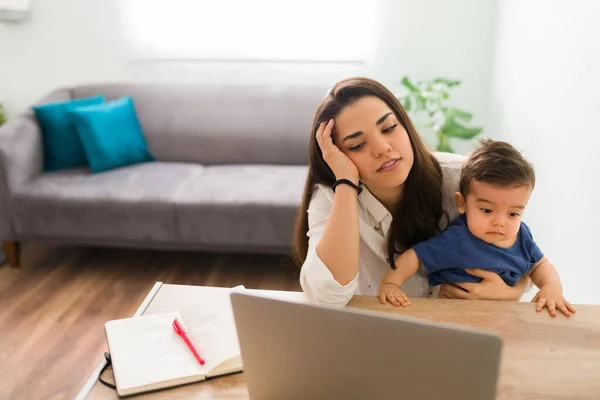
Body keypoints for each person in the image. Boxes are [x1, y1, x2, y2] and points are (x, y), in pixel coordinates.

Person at [293, 77, 531, 308]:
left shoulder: (460, 178)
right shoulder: (332, 197)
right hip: (375, 336)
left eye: (388, 128)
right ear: (337, 155)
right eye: (357, 145)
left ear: (405, 125)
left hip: (456, 332)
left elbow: (522, 250)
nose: (382, 148)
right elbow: (326, 297)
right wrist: (345, 182)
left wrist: (512, 292)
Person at [378, 139, 576, 317]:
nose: (499, 222)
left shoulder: (522, 236)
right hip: (457, 320)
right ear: (462, 203)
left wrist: (552, 287)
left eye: (513, 214)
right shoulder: (458, 239)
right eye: (487, 210)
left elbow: (540, 265)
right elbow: (416, 256)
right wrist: (391, 283)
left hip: (505, 319)